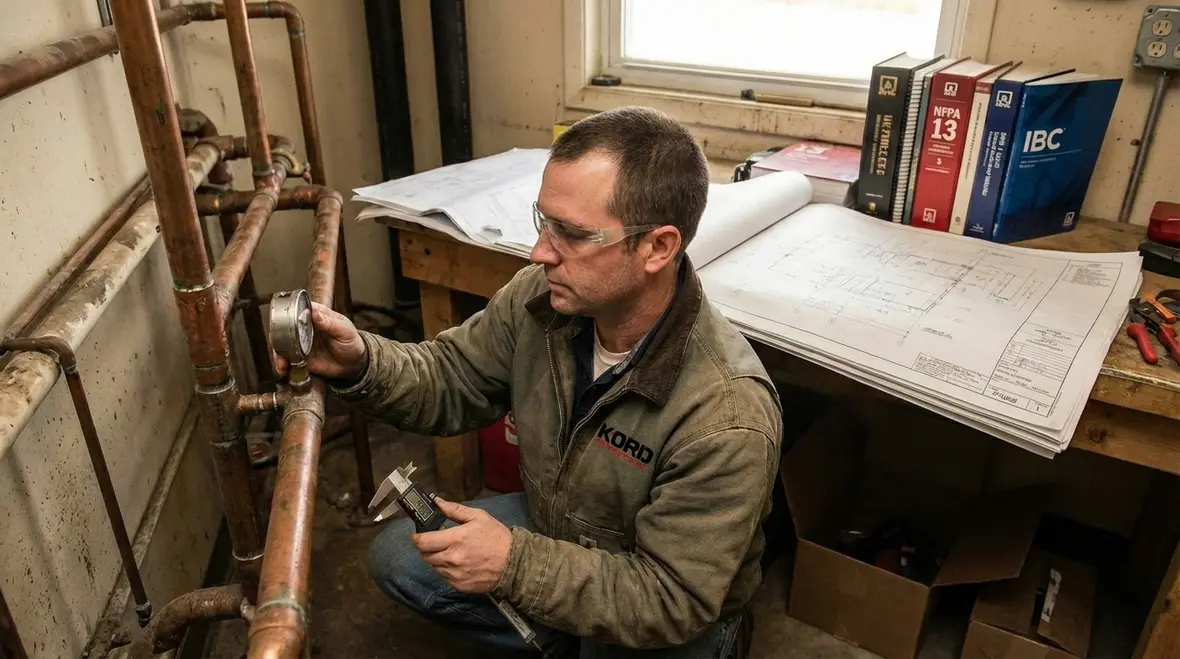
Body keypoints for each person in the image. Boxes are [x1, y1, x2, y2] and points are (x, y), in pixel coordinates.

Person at [279, 106, 783, 658]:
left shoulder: (726, 415)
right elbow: (452, 376)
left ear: (656, 248)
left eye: (572, 233)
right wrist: (361, 362)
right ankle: (566, 633)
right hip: (562, 525)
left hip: (660, 593)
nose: (541, 251)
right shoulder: (540, 300)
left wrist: (514, 565)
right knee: (400, 559)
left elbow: (671, 598)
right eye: (544, 221)